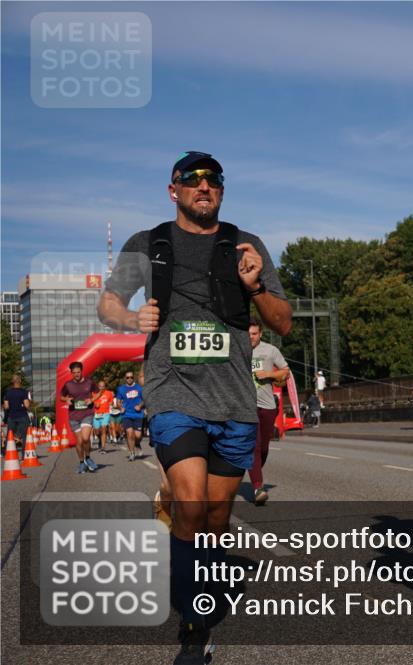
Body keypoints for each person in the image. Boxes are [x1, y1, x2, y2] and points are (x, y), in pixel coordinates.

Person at [98, 150, 291, 665]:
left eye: (213, 181)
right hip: (173, 391)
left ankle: (192, 573)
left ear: (222, 191)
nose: (203, 187)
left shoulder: (246, 246)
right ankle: (194, 625)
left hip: (233, 400)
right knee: (188, 502)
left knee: (215, 515)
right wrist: (129, 317)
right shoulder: (149, 243)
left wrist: (253, 288)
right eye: (192, 180)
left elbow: (284, 321)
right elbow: (108, 301)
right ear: (173, 189)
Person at [249, 317, 289, 505]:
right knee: (254, 446)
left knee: (263, 447)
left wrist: (269, 374)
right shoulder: (237, 349)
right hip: (246, 406)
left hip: (267, 405)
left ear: (261, 333)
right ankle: (258, 486)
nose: (251, 337)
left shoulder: (270, 350)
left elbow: (285, 372)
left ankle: (255, 471)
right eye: (248, 334)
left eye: (254, 334)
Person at [59, 362, 98, 473]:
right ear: (71, 373)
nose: (77, 374)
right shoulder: (68, 385)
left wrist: (92, 400)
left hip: (87, 413)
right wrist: (66, 400)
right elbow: (61, 396)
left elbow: (98, 392)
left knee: (86, 438)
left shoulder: (89, 382)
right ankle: (81, 462)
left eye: (78, 372)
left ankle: (88, 458)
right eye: (74, 373)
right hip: (74, 416)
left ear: (82, 371)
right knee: (79, 442)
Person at [115, 371, 144, 462]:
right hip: (126, 414)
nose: (129, 379)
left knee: (138, 436)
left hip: (138, 414)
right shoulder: (121, 389)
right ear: (125, 378)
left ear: (133, 378)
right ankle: (132, 453)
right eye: (127, 377)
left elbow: (145, 399)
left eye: (131, 377)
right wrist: (120, 408)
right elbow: (118, 402)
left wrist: (140, 406)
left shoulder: (139, 388)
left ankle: (137, 443)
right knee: (129, 433)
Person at [2, 373, 31, 457]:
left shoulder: (8, 392)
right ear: (20, 381)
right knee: (24, 436)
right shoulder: (24, 392)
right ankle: (24, 455)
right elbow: (27, 405)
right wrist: (29, 402)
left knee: (10, 436)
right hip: (22, 416)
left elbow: (6, 406)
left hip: (11, 417)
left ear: (12, 382)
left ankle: (8, 454)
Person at [92, 380, 116, 453]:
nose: (101, 388)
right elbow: (91, 402)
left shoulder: (109, 393)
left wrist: (111, 403)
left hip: (105, 414)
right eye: (100, 386)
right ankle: (100, 440)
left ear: (105, 387)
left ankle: (103, 447)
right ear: (98, 386)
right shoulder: (94, 393)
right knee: (97, 432)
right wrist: (95, 404)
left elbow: (111, 402)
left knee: (103, 429)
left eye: (103, 386)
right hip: (96, 415)